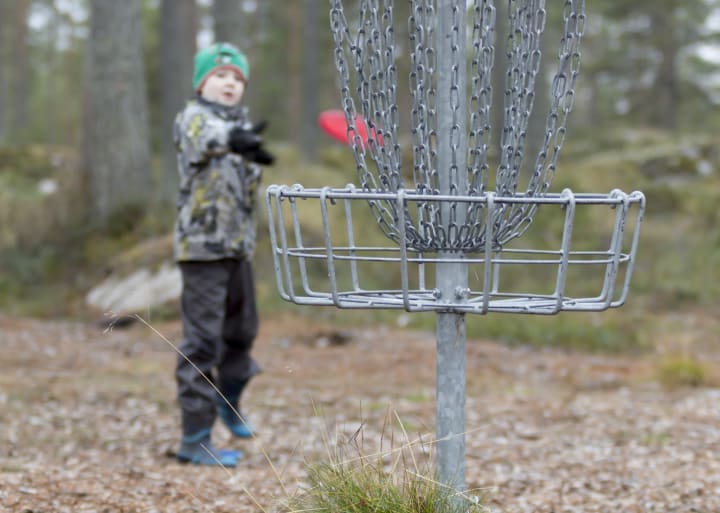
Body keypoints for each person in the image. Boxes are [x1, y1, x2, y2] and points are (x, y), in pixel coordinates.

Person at [172, 42, 274, 467]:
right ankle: (194, 438)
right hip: (202, 250)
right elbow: (208, 139)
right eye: (220, 76)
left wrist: (247, 144)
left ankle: (227, 395)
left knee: (244, 330)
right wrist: (235, 139)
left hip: (237, 250)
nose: (230, 82)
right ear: (203, 83)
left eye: (237, 78)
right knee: (203, 341)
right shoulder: (194, 119)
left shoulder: (242, 126)